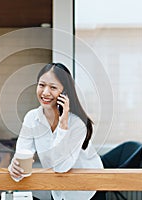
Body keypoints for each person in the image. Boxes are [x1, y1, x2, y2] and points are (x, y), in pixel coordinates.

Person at [8, 63, 104, 200]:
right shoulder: (31, 118)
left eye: (53, 87)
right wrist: (15, 167)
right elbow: (22, 154)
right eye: (41, 85)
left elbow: (60, 167)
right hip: (58, 190)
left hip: (86, 191)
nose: (45, 92)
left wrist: (63, 125)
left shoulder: (77, 123)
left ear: (65, 93)